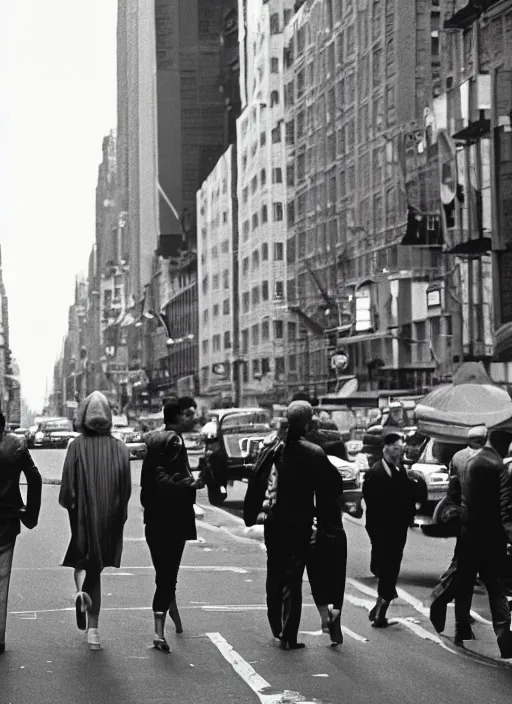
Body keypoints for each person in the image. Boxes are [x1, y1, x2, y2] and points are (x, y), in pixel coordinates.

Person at [258, 401, 344, 650]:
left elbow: (257, 477)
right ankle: (288, 635)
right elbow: (334, 484)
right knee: (293, 579)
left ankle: (276, 626)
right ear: (307, 423)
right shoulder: (313, 452)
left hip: (273, 522)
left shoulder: (273, 447)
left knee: (274, 575)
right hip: (298, 523)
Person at [429, 429, 512, 658]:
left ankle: (460, 628)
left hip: (468, 533)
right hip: (492, 536)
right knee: (496, 587)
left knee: (464, 582)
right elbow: (505, 508)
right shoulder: (498, 466)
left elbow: (453, 493)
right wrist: (509, 536)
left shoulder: (465, 461)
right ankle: (503, 634)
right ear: (502, 446)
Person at [59, 392, 131, 651]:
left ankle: (83, 601)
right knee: (96, 569)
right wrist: (117, 516)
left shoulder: (76, 446)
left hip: (82, 518)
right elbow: (126, 492)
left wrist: (73, 508)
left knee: (84, 561)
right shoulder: (121, 448)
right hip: (109, 519)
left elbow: (67, 490)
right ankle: (93, 630)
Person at [141, 397, 199, 653]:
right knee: (168, 577)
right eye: (187, 414)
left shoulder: (154, 440)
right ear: (176, 417)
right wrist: (191, 484)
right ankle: (158, 631)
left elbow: (151, 480)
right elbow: (167, 480)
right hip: (173, 518)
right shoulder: (175, 442)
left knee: (163, 573)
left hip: (152, 518)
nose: (192, 418)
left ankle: (171, 618)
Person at [429, 425, 488, 643]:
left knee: (465, 571)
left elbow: (452, 490)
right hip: (480, 524)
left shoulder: (457, 457)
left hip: (464, 522)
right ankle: (444, 602)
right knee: (466, 572)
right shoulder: (488, 460)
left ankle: (461, 623)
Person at [362, 431, 417, 627]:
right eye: (396, 447)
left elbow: (407, 496)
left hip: (398, 528)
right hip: (381, 528)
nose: (399, 451)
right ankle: (381, 610)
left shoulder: (400, 469)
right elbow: (371, 500)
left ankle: (380, 607)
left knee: (391, 567)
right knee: (388, 568)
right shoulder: (376, 472)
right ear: (386, 448)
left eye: (401, 448)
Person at [0, 412, 42, 655]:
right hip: (6, 517)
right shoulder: (16, 445)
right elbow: (34, 477)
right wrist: (30, 514)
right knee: (2, 578)